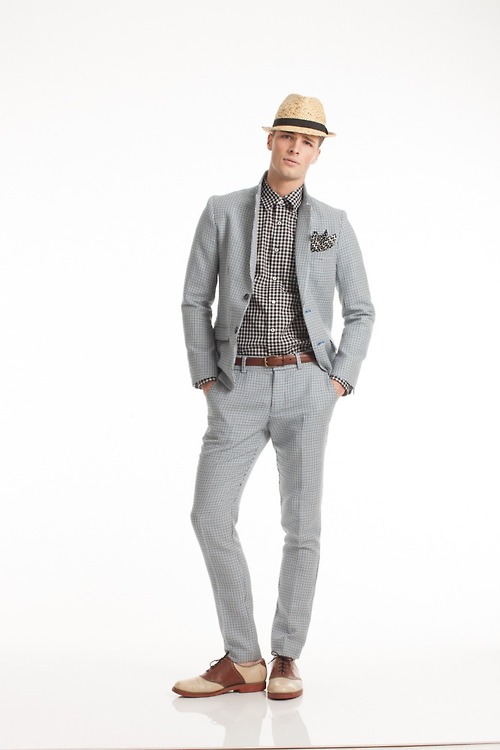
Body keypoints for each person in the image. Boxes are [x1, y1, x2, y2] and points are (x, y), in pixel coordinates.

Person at [173, 93, 375, 700]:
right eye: (287, 136)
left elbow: (361, 311)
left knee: (302, 525)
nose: (295, 148)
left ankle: (286, 656)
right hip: (236, 385)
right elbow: (195, 298)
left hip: (307, 385)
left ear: (317, 153)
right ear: (270, 140)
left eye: (307, 141)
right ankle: (243, 659)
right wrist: (205, 376)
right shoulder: (224, 211)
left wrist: (338, 380)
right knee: (210, 516)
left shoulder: (334, 223)